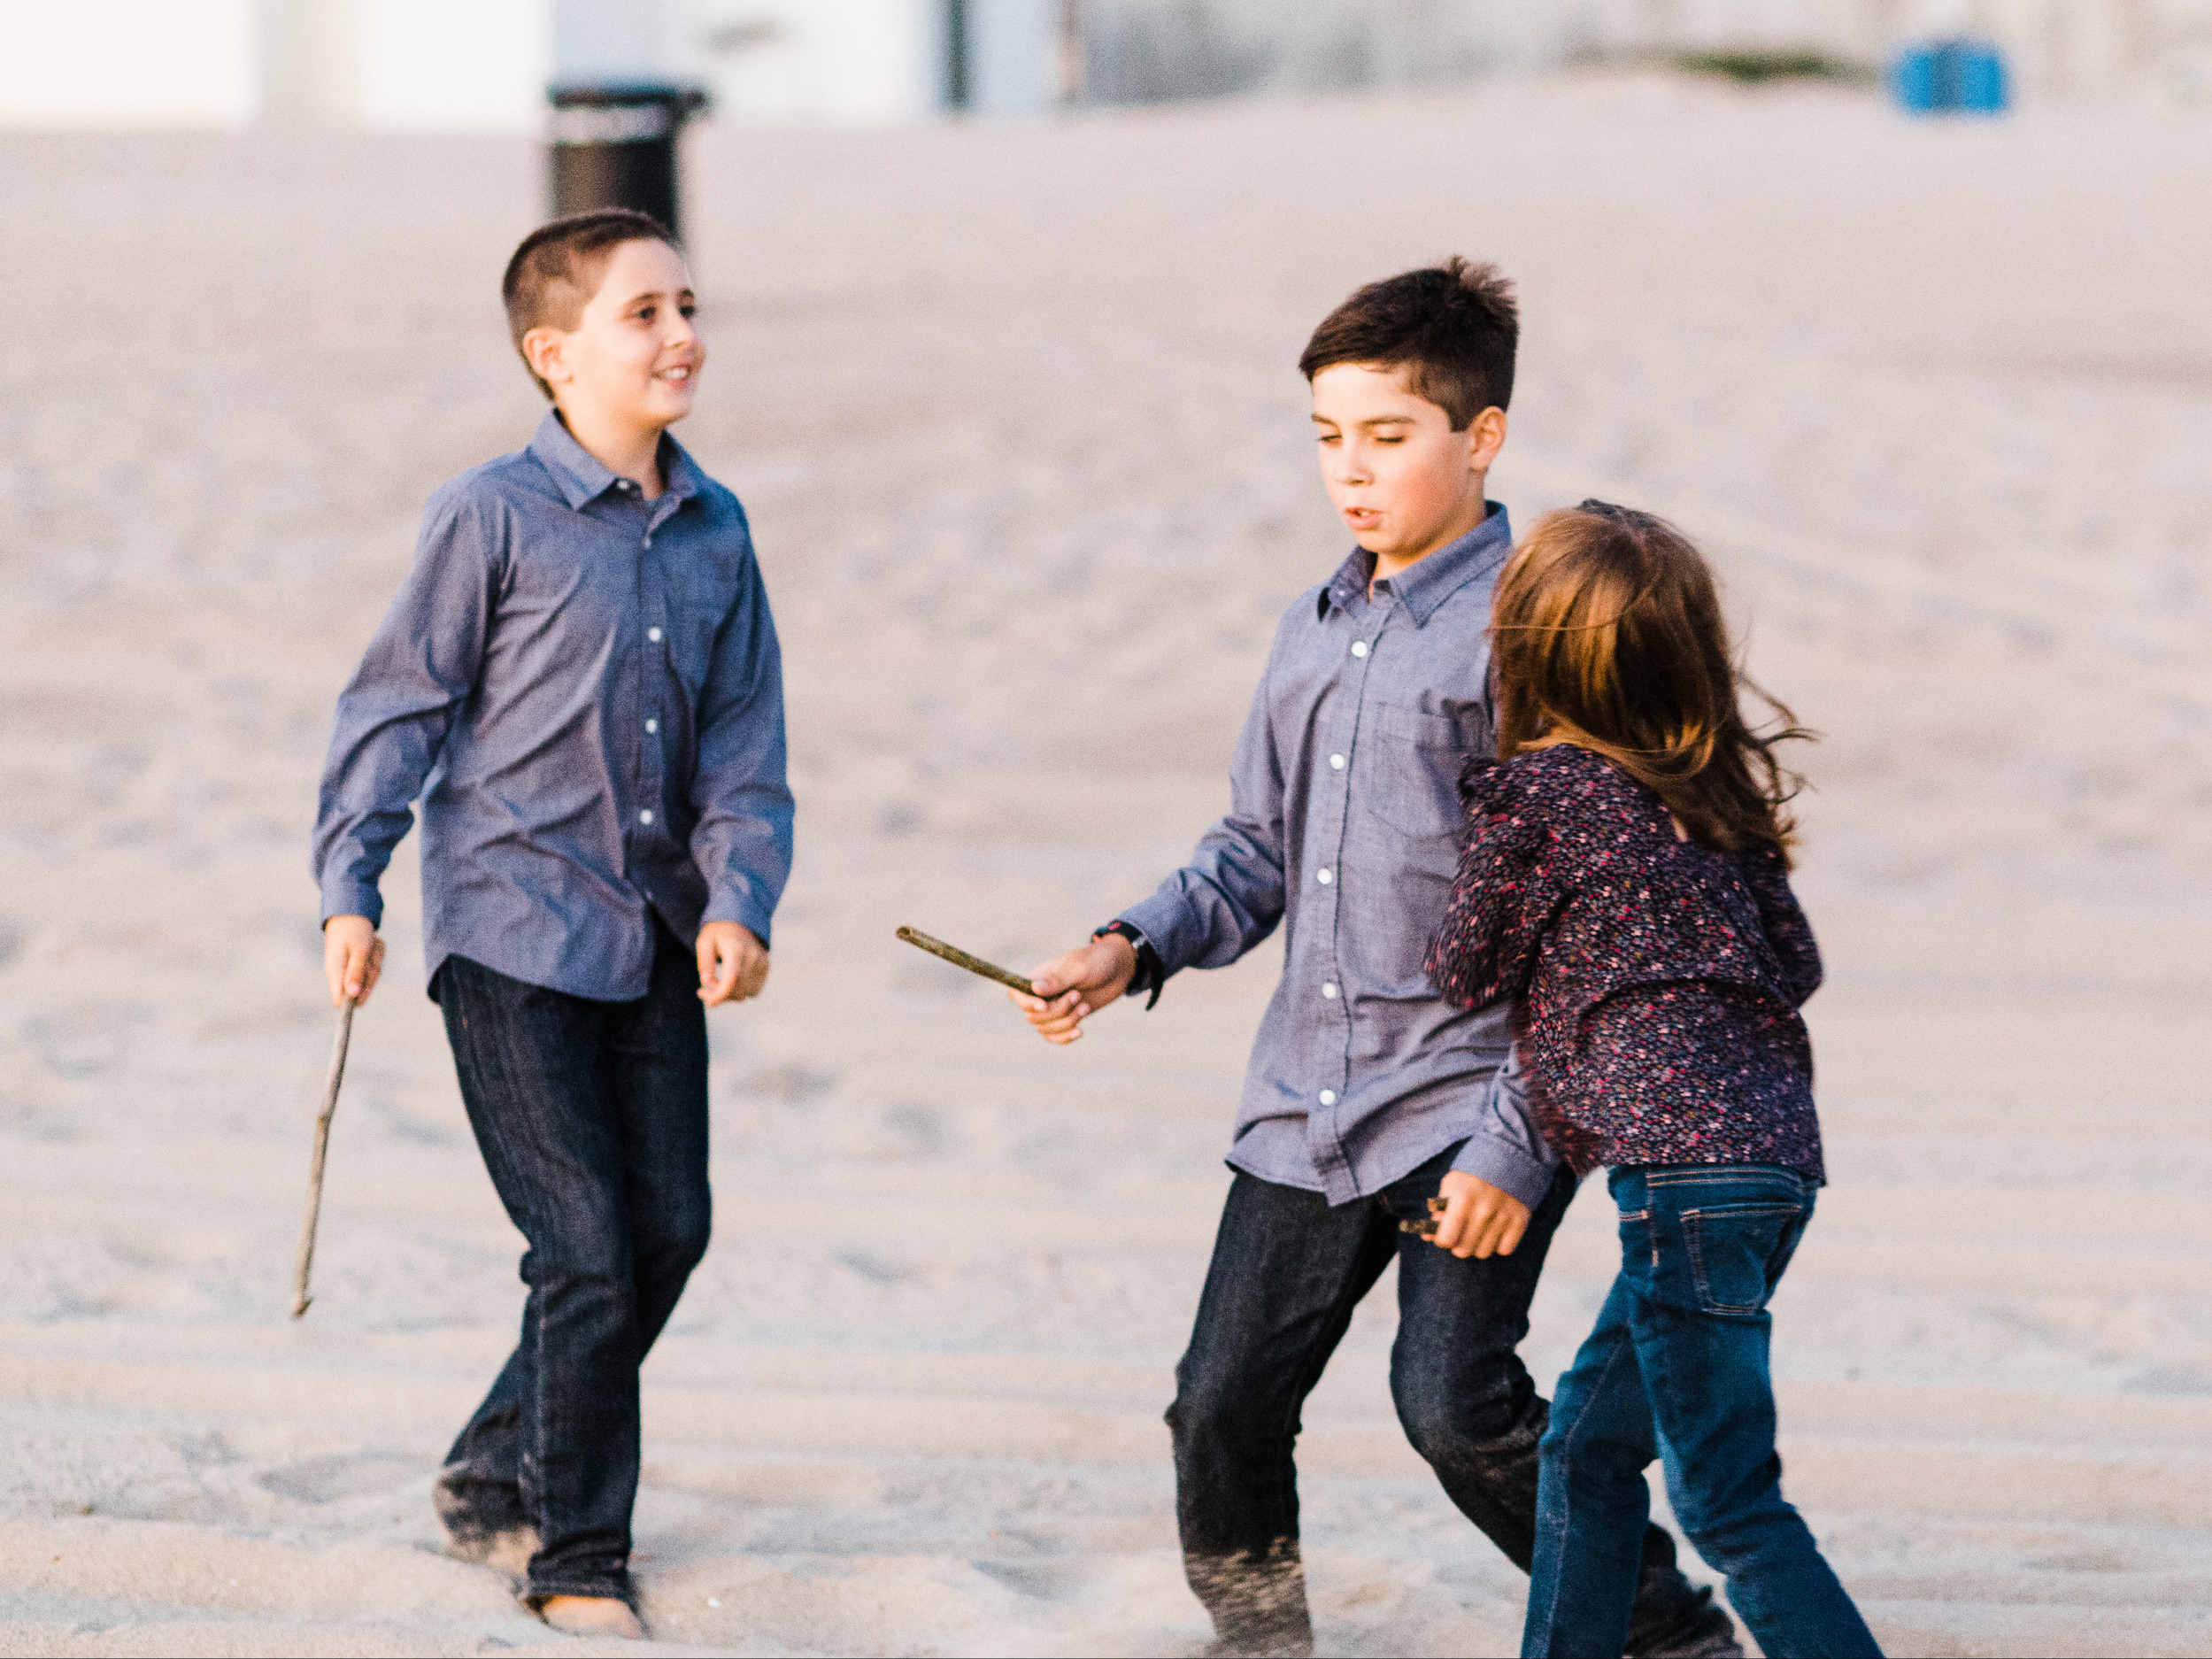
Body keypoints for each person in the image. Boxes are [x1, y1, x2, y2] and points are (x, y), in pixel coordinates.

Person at [1007, 263, 1739, 1658]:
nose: (1351, 470)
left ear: (1484, 438)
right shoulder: (1313, 625)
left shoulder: (1541, 632)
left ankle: (1664, 1630)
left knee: (1454, 1401)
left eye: (1388, 436)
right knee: (1218, 1404)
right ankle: (1262, 1638)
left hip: (1476, 1100)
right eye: (1328, 436)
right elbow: (1254, 849)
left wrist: (1518, 1149)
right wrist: (1129, 944)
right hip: (1304, 1095)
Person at [311, 209, 793, 1640]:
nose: (681, 333)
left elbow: (746, 746)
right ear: (553, 352)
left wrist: (742, 899)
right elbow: (395, 707)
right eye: (642, 312)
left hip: (652, 933)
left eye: (688, 304)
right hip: (509, 933)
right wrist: (353, 885)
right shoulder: (488, 517)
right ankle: (576, 1551)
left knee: (670, 1232)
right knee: (583, 1241)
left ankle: (491, 1455)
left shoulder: (718, 528)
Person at [1425, 502, 1881, 1659]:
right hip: (1777, 1165)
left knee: (1730, 1501)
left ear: (1522, 650)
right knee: (1583, 1447)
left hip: (1678, 1184)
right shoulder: (1713, 797)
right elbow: (1800, 965)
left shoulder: (1537, 798)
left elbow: (1462, 969)